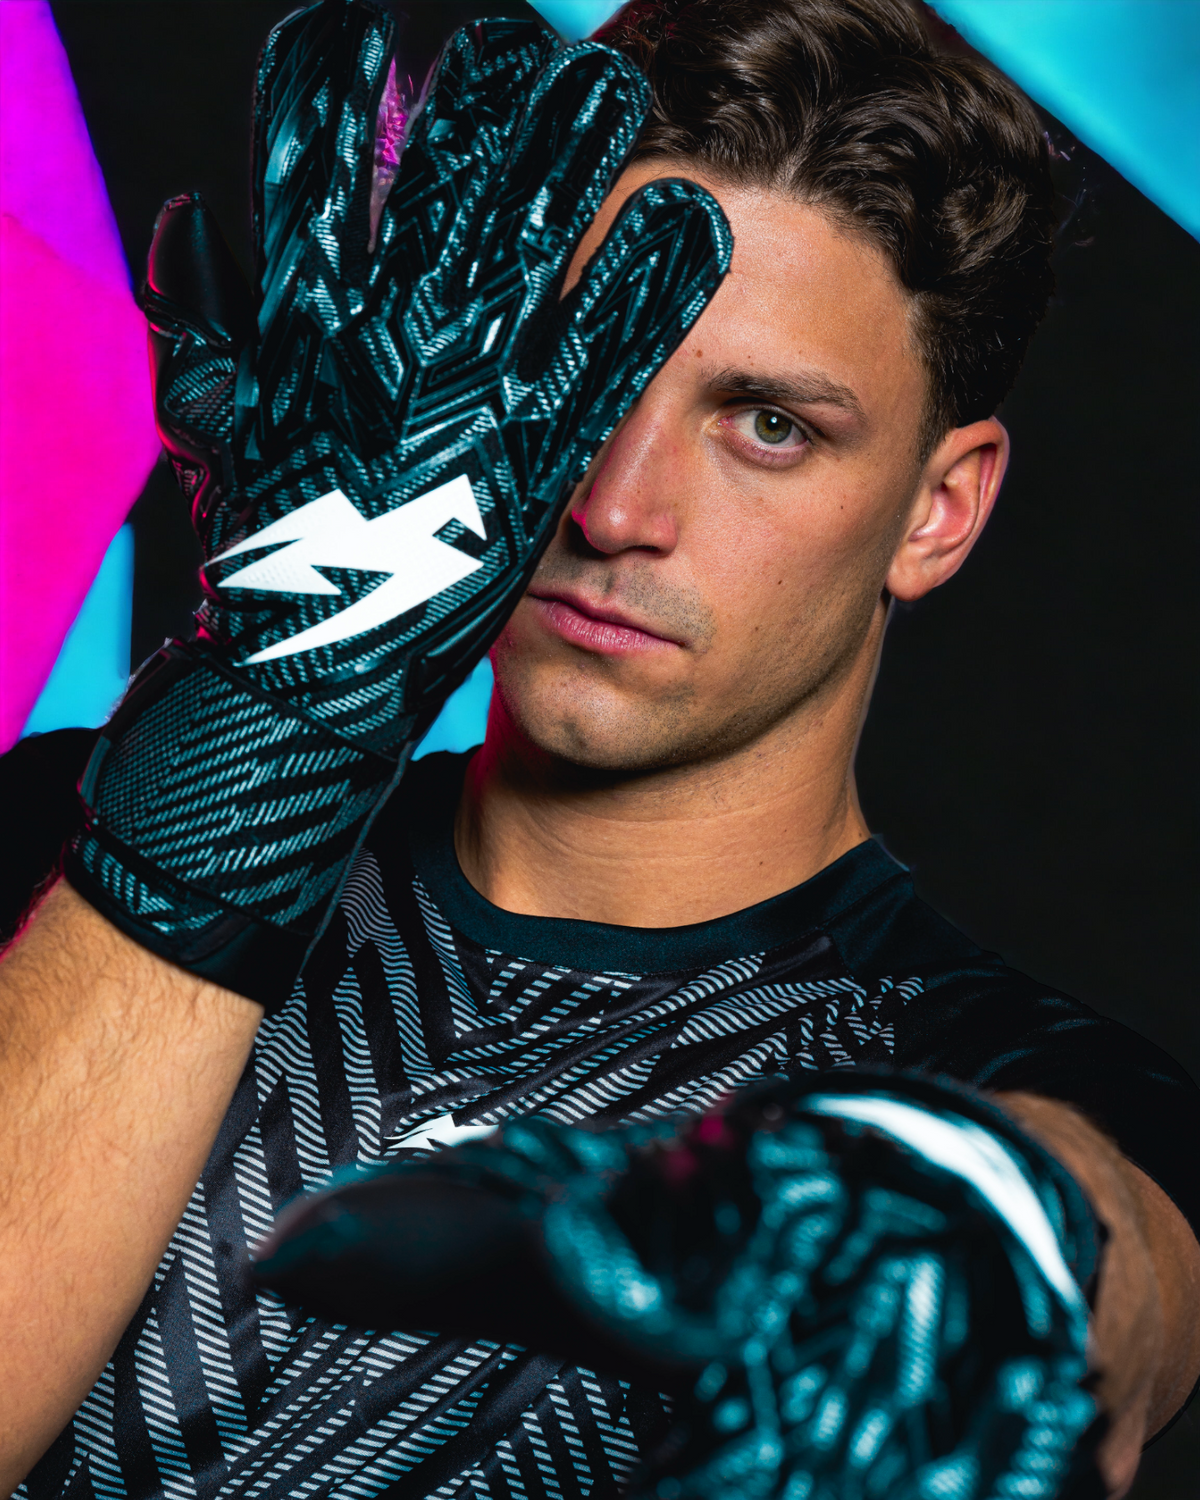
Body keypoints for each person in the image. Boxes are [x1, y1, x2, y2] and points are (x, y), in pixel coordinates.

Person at [2, 0, 1197, 1496]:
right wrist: (237, 770)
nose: (617, 508)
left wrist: (1009, 1230)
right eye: (591, 374)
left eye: (768, 425)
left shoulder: (996, 1071)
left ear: (937, 511)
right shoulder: (71, 843)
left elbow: (1132, 1280)